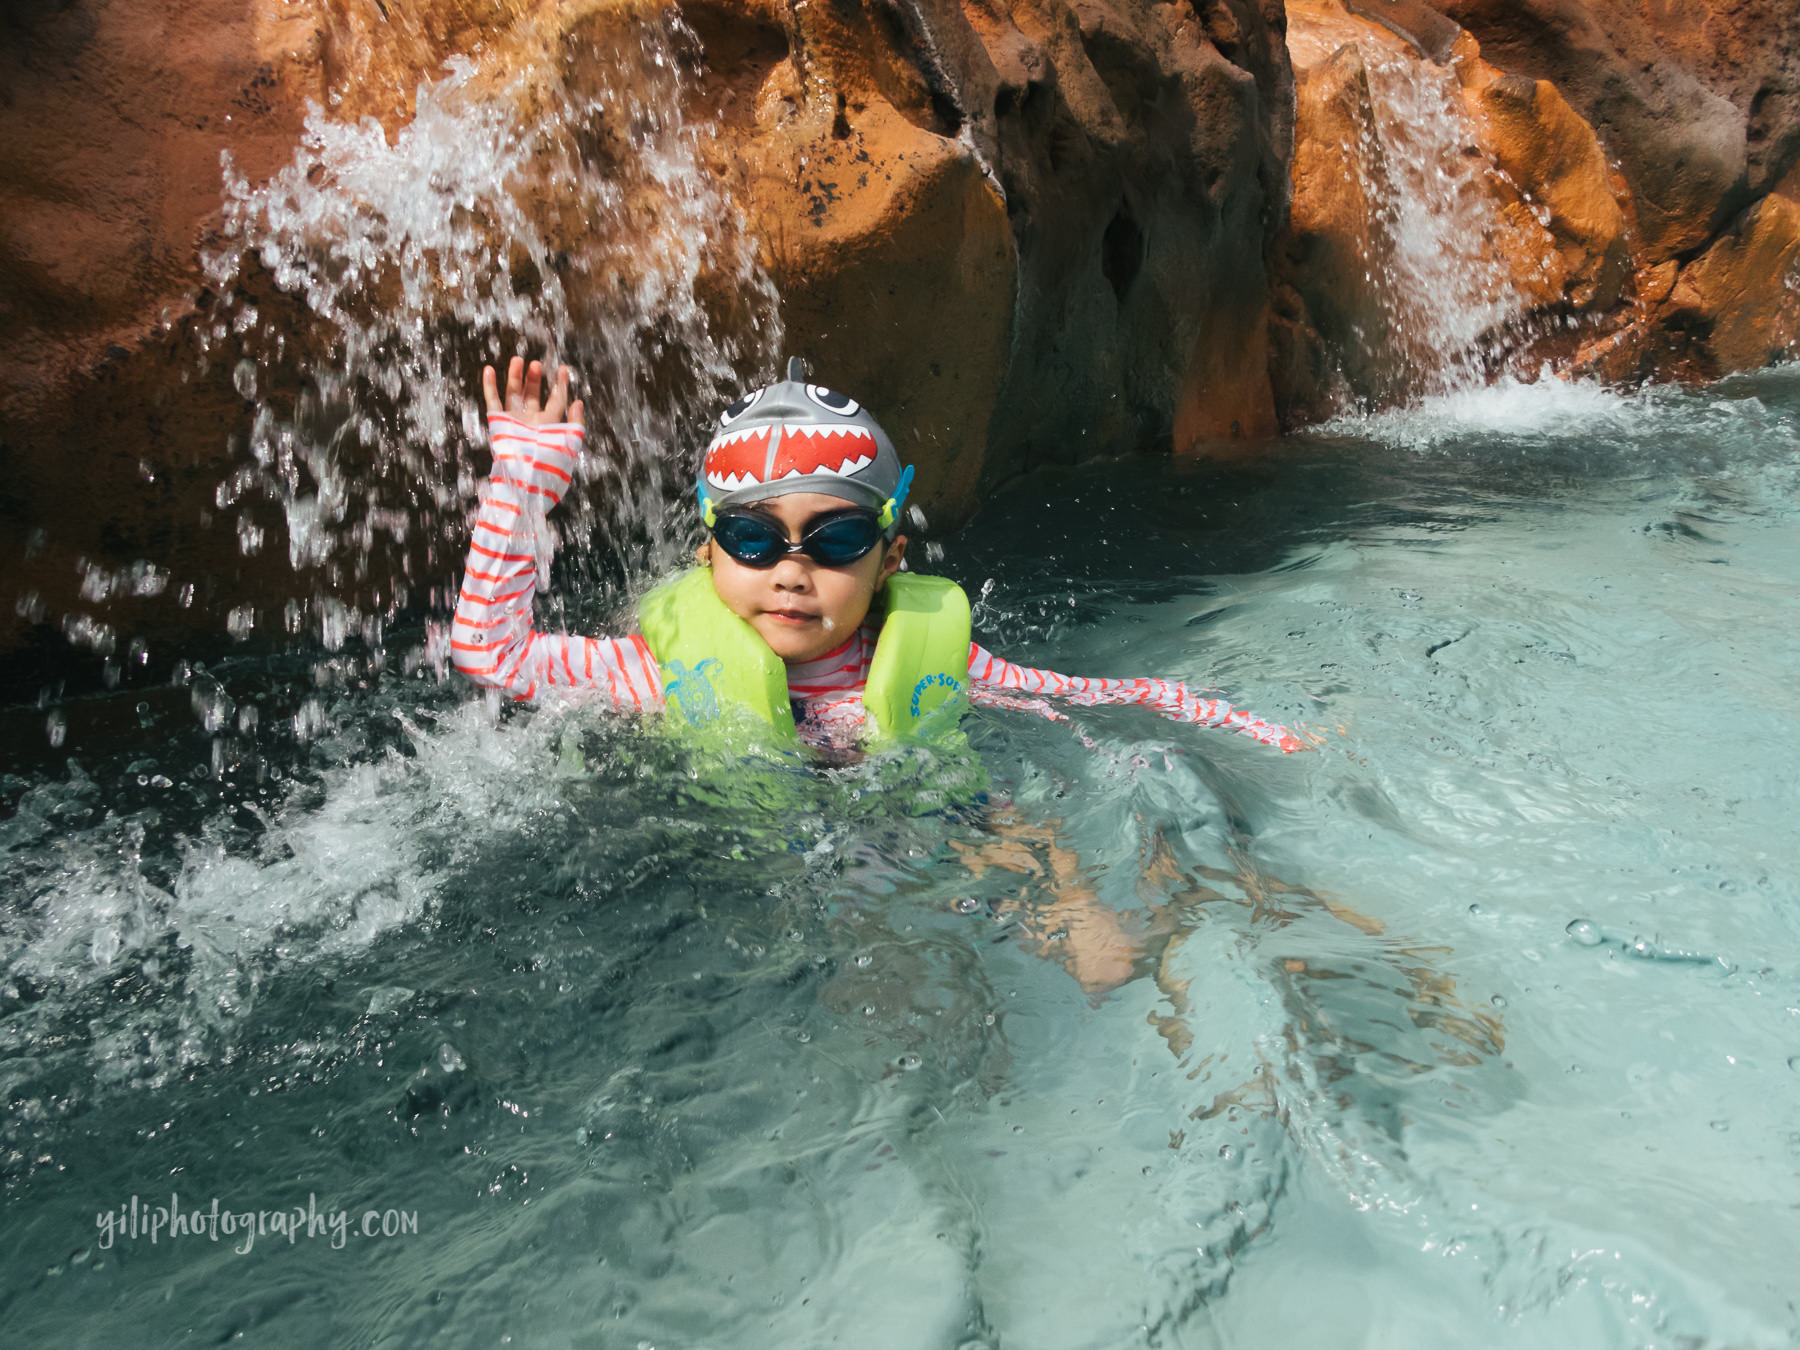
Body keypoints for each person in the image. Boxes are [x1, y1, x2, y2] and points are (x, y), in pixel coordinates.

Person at [450, 355, 1309, 755]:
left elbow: (1104, 696)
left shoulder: (938, 661)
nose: (791, 571)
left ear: (890, 557)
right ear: (707, 551)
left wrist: (1259, 731)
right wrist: (525, 480)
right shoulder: (647, 673)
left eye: (836, 540)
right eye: (753, 539)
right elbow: (489, 653)